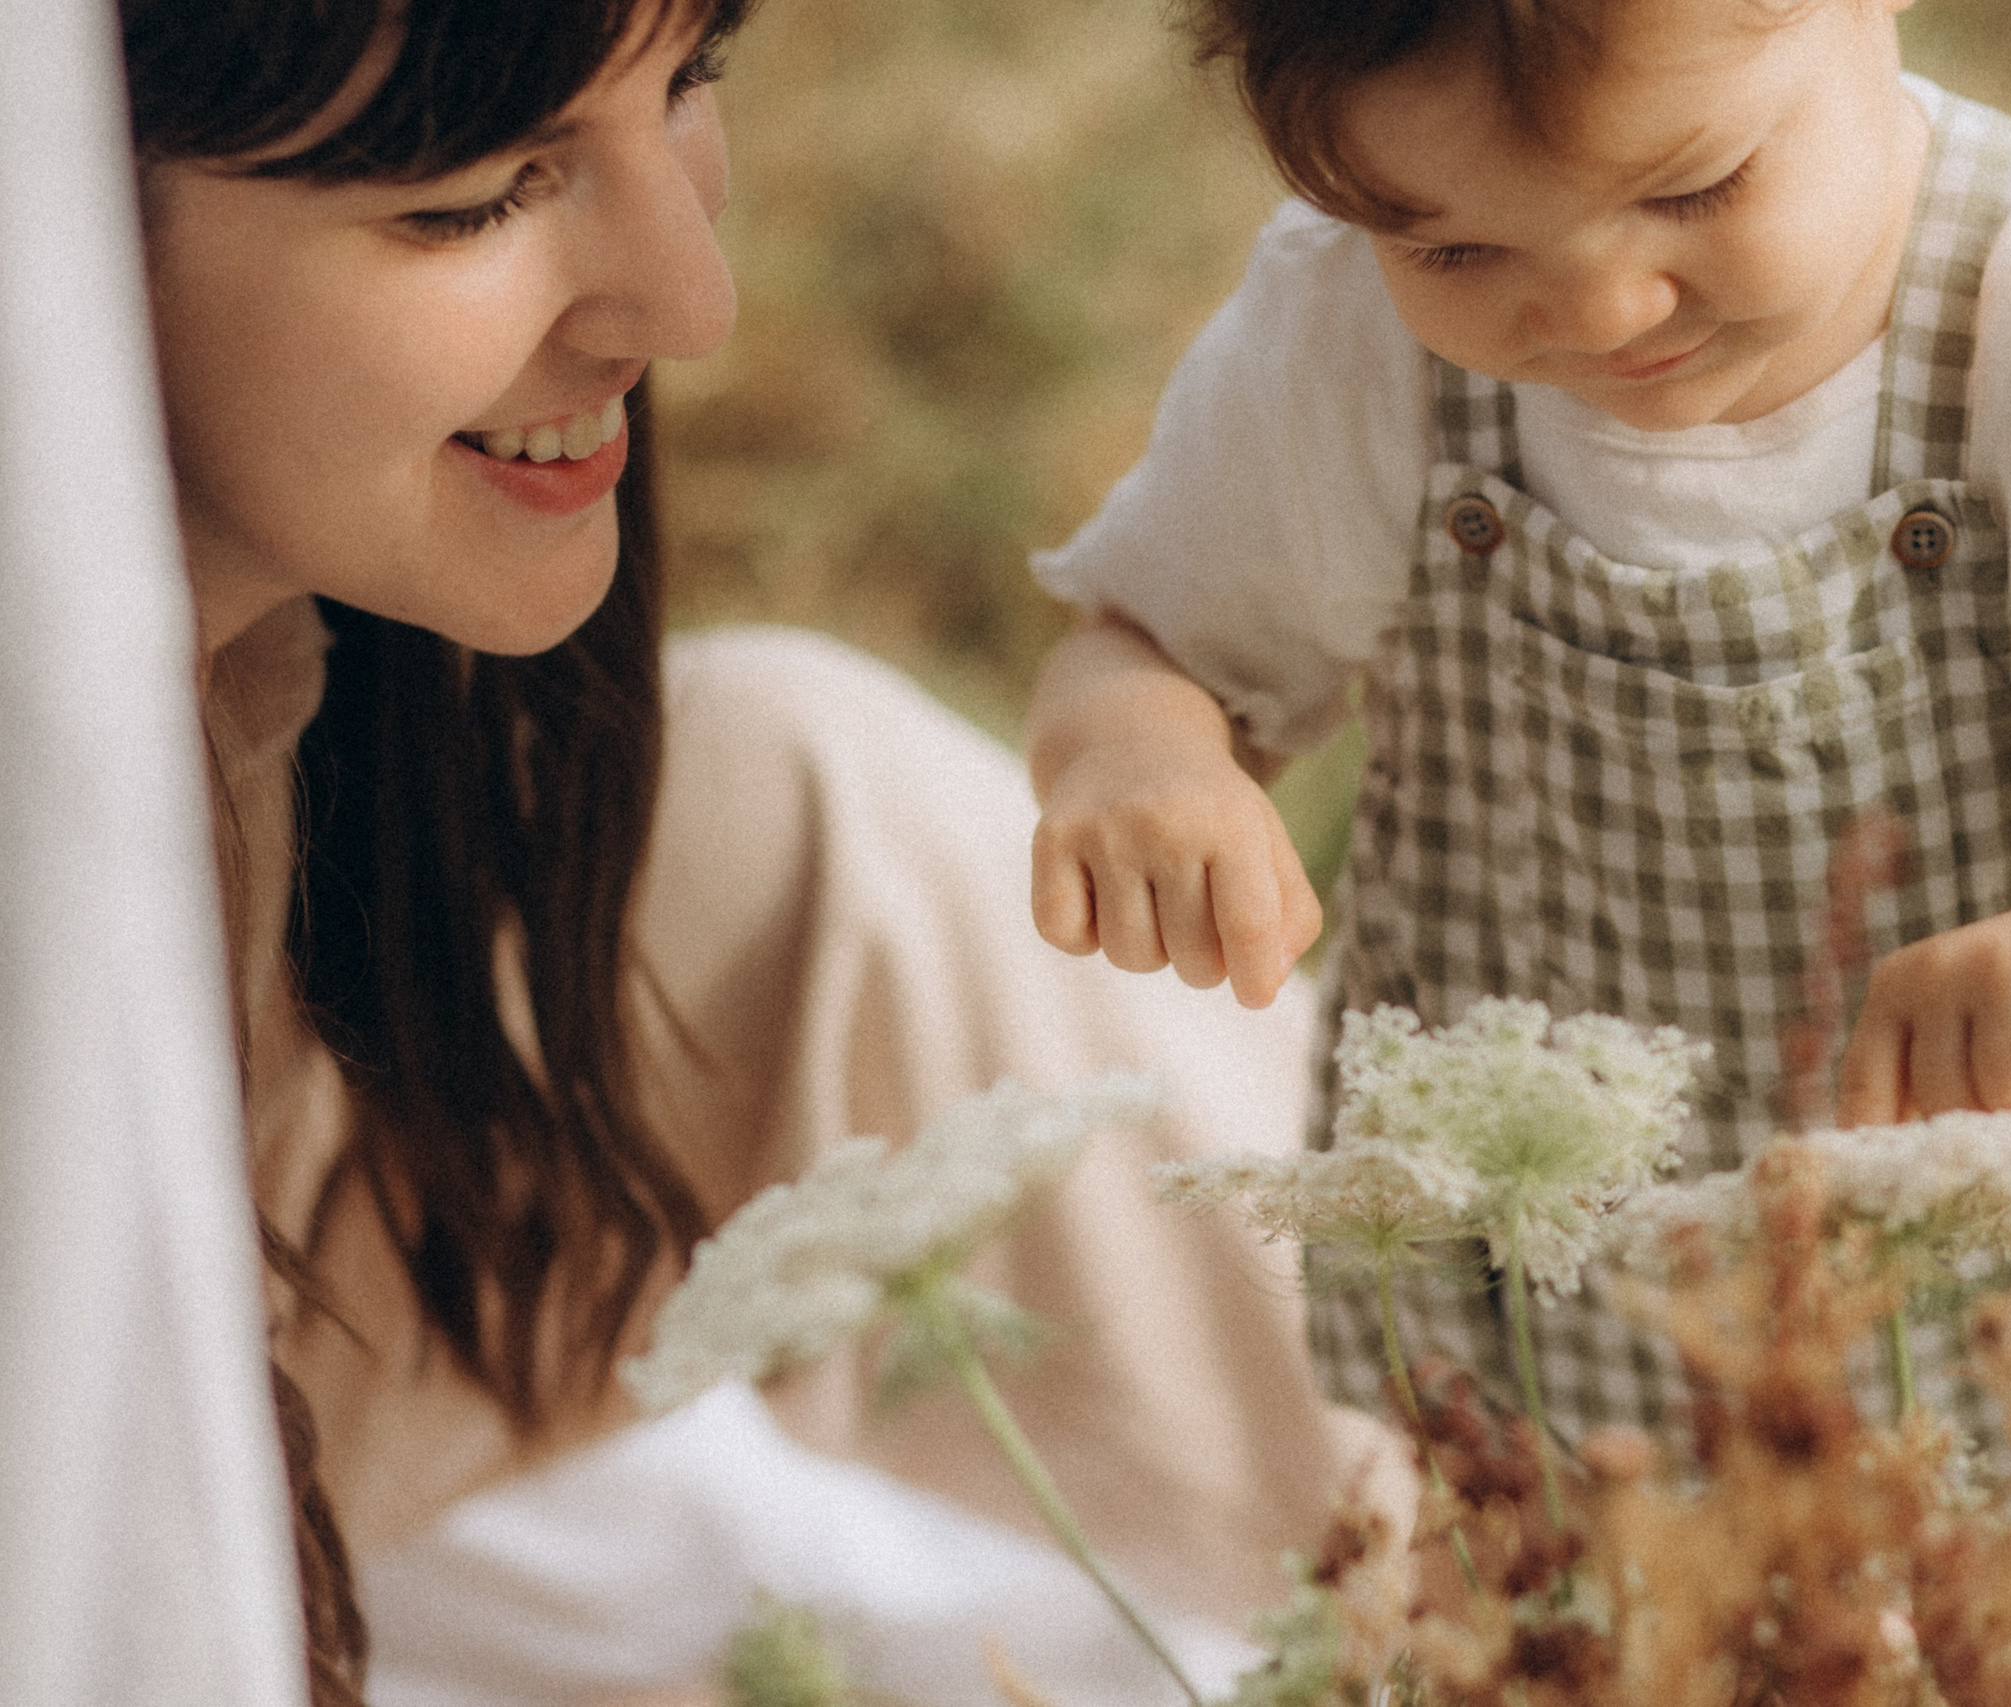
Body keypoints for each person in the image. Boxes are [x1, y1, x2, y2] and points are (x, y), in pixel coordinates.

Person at [1021, 0, 2011, 1456]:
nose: (1599, 309)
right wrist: (1147, 757)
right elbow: (1143, 648)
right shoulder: (1349, 340)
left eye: (1695, 184)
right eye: (1455, 243)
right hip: (1583, 1311)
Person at [122, 0, 1382, 1701]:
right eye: (476, 193)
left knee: (798, 798)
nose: (691, 305)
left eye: (688, 80)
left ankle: (1679, 1529)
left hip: (279, 1282)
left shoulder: (289, 687)